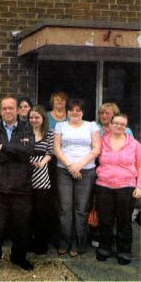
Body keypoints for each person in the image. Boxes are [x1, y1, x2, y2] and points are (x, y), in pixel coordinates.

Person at [0, 96, 35, 274]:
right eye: (4, 108)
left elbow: (27, 152)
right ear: (1, 110)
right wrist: (15, 149)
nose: (8, 111)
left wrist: (3, 146)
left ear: (17, 109)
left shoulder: (26, 127)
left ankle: (18, 257)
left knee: (22, 227)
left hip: (21, 187)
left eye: (11, 108)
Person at [54, 98, 101, 257]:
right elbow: (57, 149)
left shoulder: (92, 125)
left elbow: (96, 149)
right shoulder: (60, 125)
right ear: (67, 111)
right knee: (64, 208)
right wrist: (70, 166)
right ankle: (64, 242)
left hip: (86, 171)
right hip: (64, 171)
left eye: (78, 110)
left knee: (81, 209)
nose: (75, 112)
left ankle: (79, 244)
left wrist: (79, 165)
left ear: (83, 112)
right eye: (72, 109)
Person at [95, 113, 141, 265]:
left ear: (126, 127)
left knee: (124, 221)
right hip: (104, 186)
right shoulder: (102, 141)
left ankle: (124, 251)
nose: (119, 126)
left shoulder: (134, 144)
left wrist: (139, 186)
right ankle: (104, 248)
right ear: (111, 124)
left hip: (126, 186)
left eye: (123, 124)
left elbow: (140, 166)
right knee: (105, 219)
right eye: (116, 123)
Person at [28, 105, 54, 254]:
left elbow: (50, 152)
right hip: (26, 175)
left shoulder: (49, 133)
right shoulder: (25, 131)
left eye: (37, 117)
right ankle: (28, 242)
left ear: (43, 118)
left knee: (41, 212)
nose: (34, 120)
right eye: (31, 117)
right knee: (28, 212)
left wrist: (41, 163)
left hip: (42, 174)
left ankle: (40, 244)